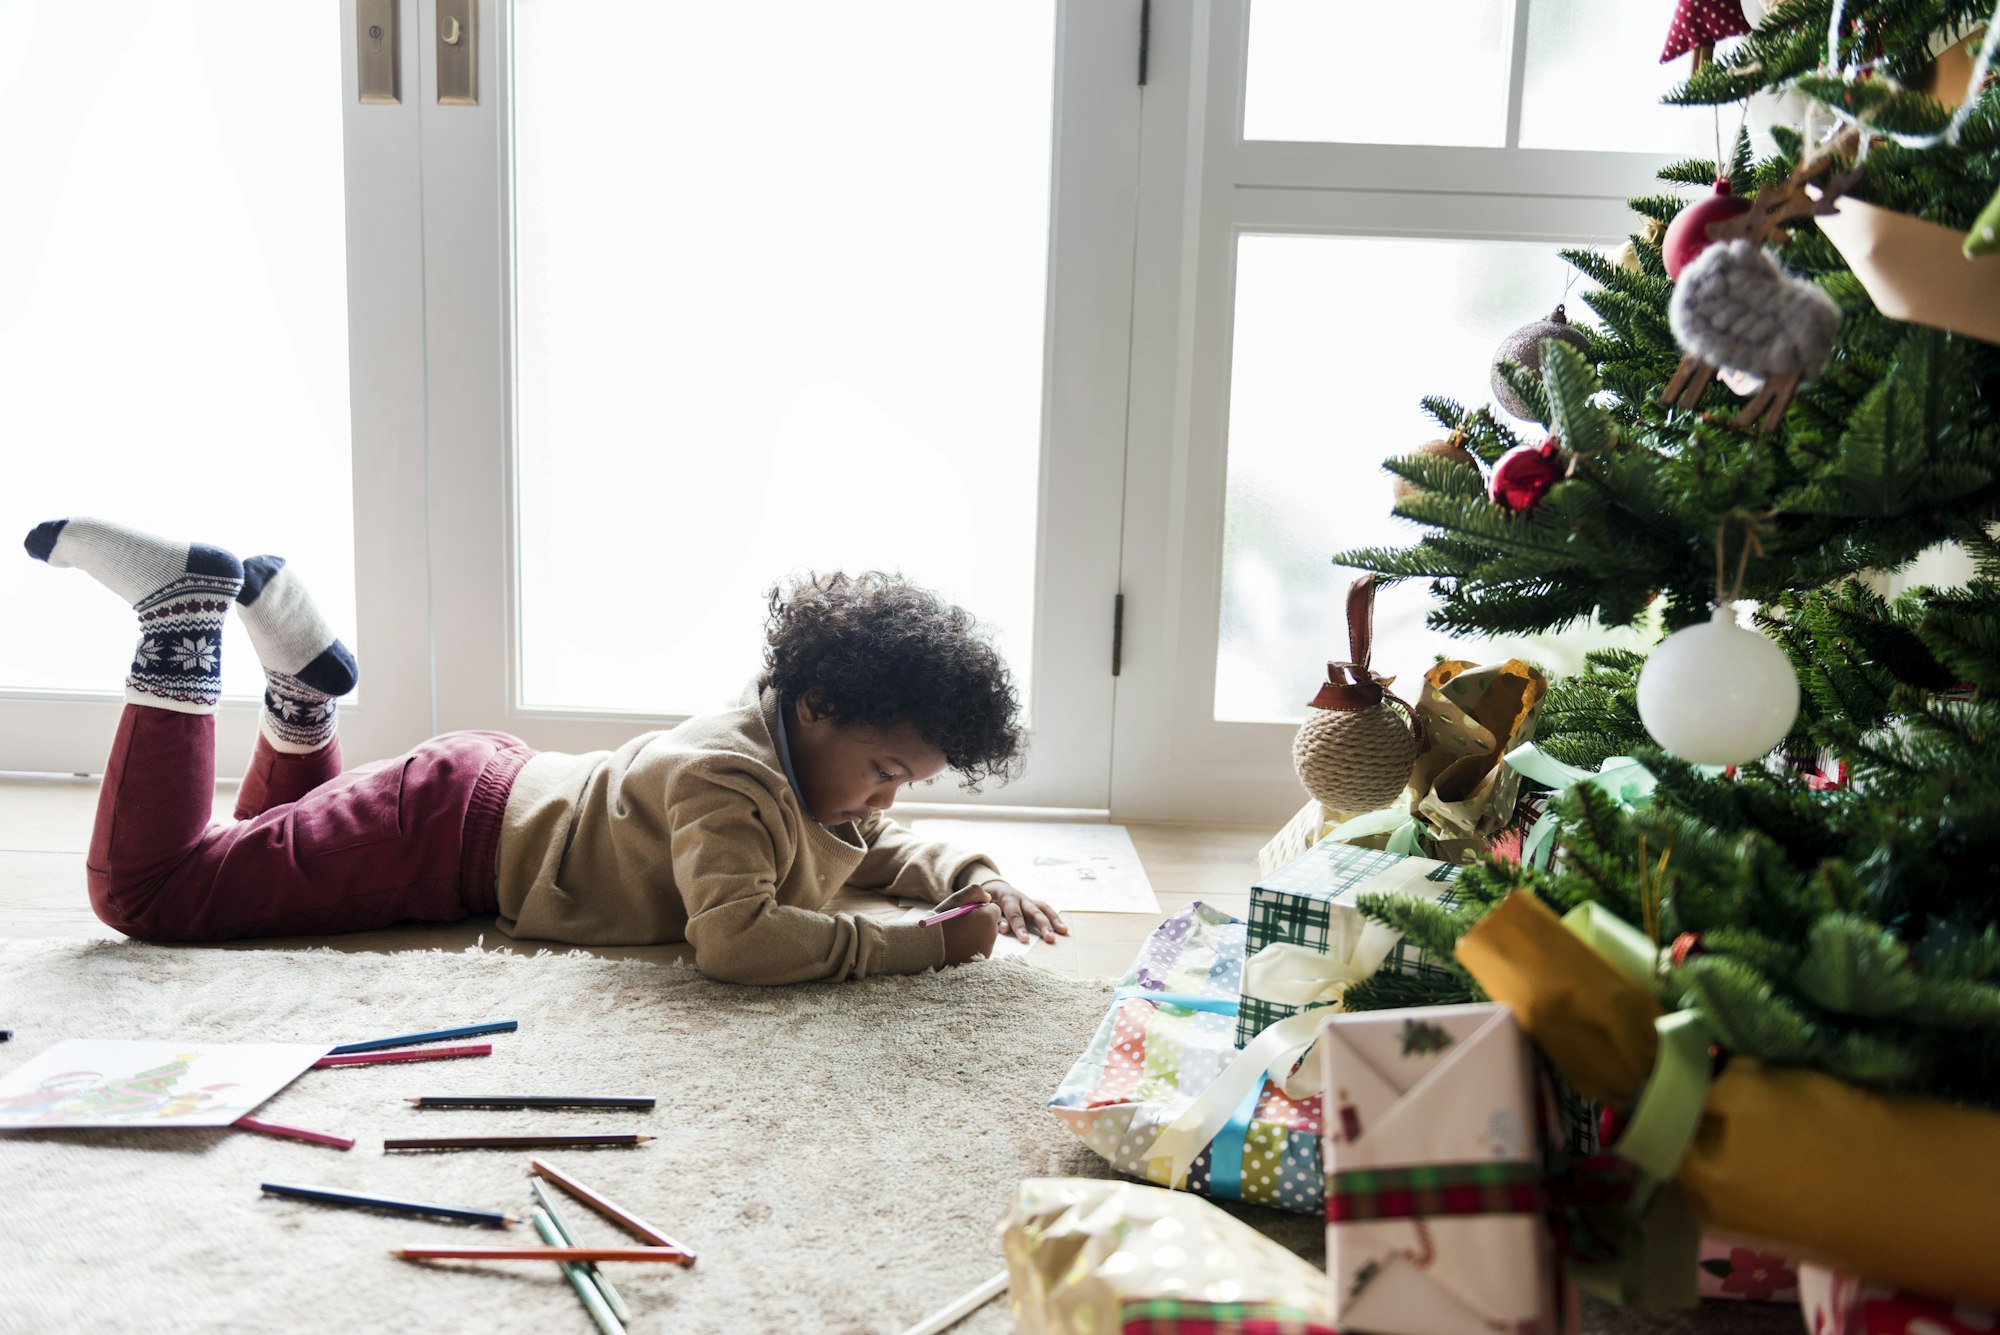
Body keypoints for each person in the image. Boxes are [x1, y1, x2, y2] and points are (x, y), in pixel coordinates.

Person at [23, 516, 1067, 984]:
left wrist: (974, 878)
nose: (885, 804)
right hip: (437, 837)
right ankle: (180, 619)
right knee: (156, 899)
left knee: (259, 861)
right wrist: (920, 946)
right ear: (818, 705)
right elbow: (739, 942)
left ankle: (302, 691)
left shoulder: (803, 759)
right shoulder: (729, 778)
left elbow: (860, 851)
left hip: (470, 802)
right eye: (886, 772)